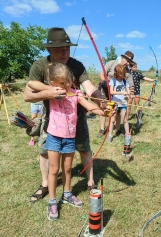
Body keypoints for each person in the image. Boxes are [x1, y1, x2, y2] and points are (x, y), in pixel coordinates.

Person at [23, 27, 110, 203]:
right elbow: (27, 94)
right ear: (48, 50)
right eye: (60, 49)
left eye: (67, 48)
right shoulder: (40, 66)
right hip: (52, 121)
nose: (65, 53)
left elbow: (90, 88)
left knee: (84, 148)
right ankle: (45, 184)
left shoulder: (76, 65)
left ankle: (90, 182)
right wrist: (49, 92)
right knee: (45, 152)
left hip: (76, 118)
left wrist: (102, 103)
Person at [27, 62, 106, 220]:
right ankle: (52, 201)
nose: (66, 85)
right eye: (62, 83)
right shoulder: (51, 93)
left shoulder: (76, 94)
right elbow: (31, 84)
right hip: (54, 137)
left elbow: (89, 106)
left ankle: (67, 194)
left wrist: (105, 110)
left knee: (68, 168)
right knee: (54, 170)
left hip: (70, 137)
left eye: (68, 81)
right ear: (53, 83)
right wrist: (50, 91)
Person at [98, 51, 135, 137]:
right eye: (127, 60)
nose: (127, 63)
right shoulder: (112, 63)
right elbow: (101, 73)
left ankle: (118, 130)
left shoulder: (128, 72)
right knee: (104, 107)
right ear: (123, 58)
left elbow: (130, 85)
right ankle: (102, 129)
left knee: (117, 111)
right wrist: (105, 82)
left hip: (118, 95)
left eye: (129, 62)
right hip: (105, 89)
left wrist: (131, 94)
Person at [107, 65, 131, 143]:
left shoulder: (124, 81)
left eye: (123, 73)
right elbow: (111, 92)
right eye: (120, 73)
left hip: (123, 103)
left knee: (125, 119)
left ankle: (127, 135)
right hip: (115, 103)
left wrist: (128, 95)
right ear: (116, 73)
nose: (121, 75)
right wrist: (121, 92)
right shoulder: (113, 81)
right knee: (112, 119)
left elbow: (128, 91)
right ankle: (110, 135)